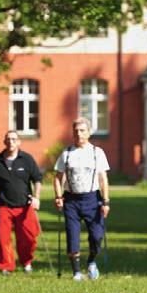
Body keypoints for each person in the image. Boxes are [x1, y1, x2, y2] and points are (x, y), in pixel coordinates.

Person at [53, 117, 110, 281]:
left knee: (97, 235)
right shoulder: (67, 153)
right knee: (72, 236)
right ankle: (76, 272)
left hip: (92, 198)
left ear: (89, 132)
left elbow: (103, 178)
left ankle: (91, 261)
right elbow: (57, 177)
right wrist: (58, 196)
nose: (79, 133)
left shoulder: (97, 152)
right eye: (76, 130)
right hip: (71, 200)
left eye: (82, 130)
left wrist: (106, 201)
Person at [0, 130, 43, 276]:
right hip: (4, 206)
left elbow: (37, 179)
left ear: (19, 142)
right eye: (8, 139)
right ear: (4, 142)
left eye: (14, 139)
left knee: (28, 238)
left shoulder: (27, 159)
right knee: (3, 238)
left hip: (25, 206)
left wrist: (36, 197)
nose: (11, 142)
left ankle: (27, 262)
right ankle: (6, 266)